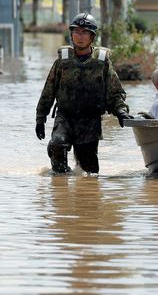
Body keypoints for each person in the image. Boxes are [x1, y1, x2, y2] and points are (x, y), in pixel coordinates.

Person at [35, 12, 132, 174]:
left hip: (90, 120)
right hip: (65, 116)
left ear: (92, 37)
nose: (79, 36)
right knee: (58, 143)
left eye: (84, 32)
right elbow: (48, 91)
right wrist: (40, 118)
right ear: (71, 34)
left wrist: (121, 112)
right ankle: (60, 185)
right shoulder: (63, 60)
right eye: (76, 32)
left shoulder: (102, 61)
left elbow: (114, 92)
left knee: (89, 173)